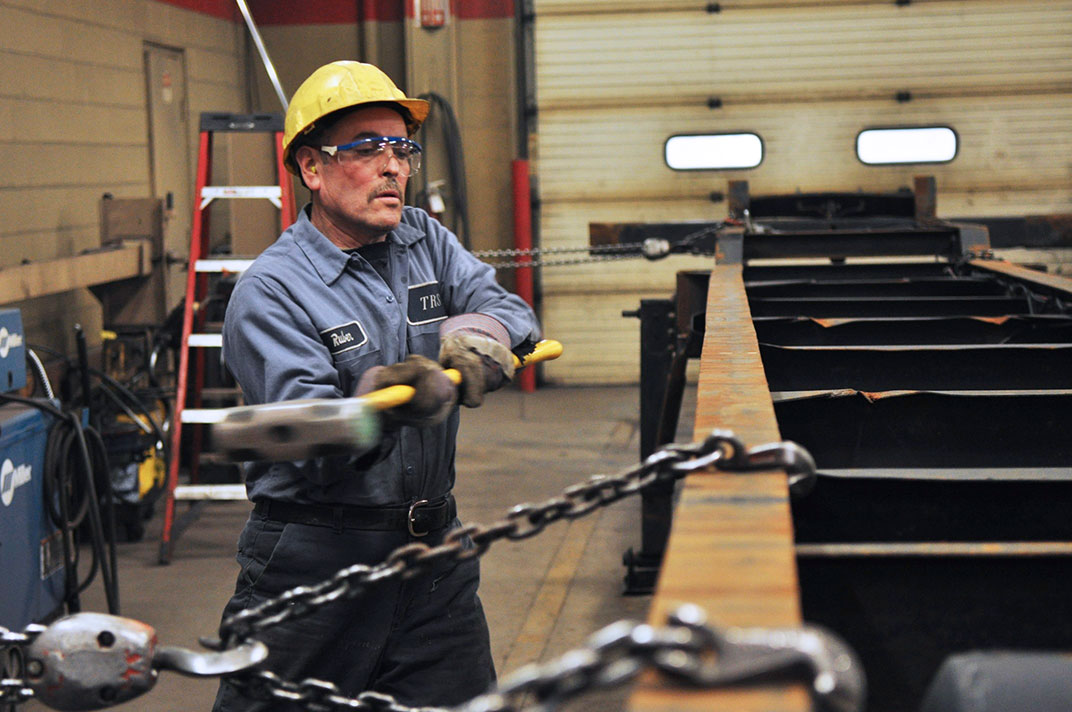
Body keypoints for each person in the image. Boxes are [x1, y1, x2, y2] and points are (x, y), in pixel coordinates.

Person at [212, 60, 540, 711]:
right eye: (368, 148)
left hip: (433, 559)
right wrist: (385, 402)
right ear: (312, 168)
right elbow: (310, 436)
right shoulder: (270, 292)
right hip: (318, 563)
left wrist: (479, 333)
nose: (393, 166)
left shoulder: (425, 239)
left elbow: (511, 313)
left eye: (403, 148)